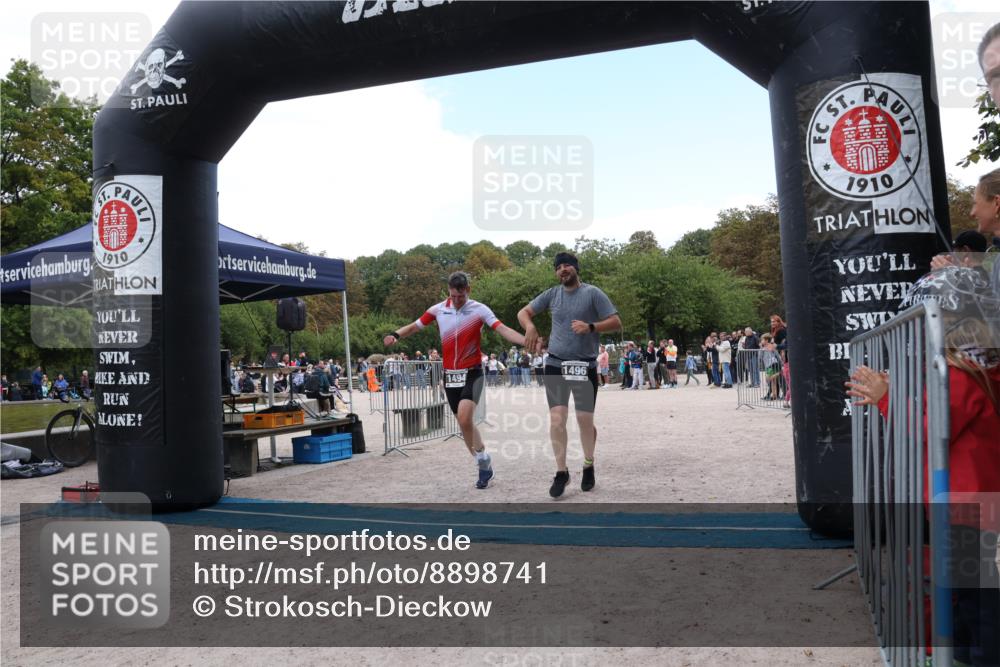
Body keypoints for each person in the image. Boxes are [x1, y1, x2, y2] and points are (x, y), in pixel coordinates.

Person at [846, 265, 999, 666]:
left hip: (969, 509)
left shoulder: (965, 375)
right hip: (973, 505)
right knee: (971, 599)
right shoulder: (978, 369)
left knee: (977, 604)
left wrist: (885, 398)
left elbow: (932, 429)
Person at [385, 271, 526, 489]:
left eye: (460, 296)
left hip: (472, 372)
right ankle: (483, 460)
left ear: (468, 290)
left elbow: (502, 329)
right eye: (453, 296)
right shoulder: (439, 309)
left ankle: (481, 464)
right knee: (463, 423)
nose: (457, 300)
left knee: (464, 416)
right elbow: (414, 326)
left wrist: (526, 341)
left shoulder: (479, 309)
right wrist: (395, 335)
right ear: (449, 292)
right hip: (450, 374)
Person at [518, 252, 621, 497]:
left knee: (584, 420)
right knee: (557, 419)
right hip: (555, 364)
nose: (562, 270)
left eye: (567, 266)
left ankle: (588, 463)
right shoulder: (552, 294)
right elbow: (523, 313)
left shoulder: (592, 293)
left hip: (584, 365)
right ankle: (561, 472)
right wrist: (530, 326)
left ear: (575, 269)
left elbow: (616, 321)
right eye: (558, 267)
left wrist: (591, 327)